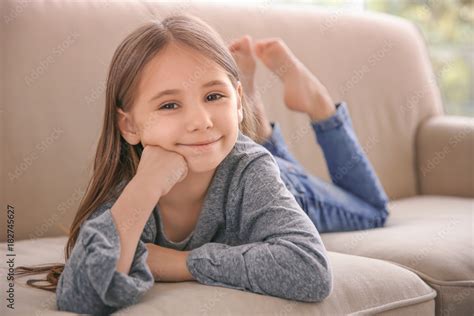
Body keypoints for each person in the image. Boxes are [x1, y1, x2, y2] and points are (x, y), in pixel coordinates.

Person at [14, 14, 337, 315]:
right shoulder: (131, 180)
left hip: (301, 193)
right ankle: (266, 123)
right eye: (169, 105)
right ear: (129, 126)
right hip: (258, 162)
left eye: (214, 96)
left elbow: (310, 269)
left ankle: (322, 111)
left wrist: (179, 263)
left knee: (371, 208)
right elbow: (79, 295)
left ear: (237, 102)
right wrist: (144, 188)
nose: (200, 121)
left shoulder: (250, 168)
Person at [228, 35, 390, 233]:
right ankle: (317, 106)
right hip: (264, 182)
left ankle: (257, 116)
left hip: (256, 171)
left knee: (271, 168)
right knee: (376, 211)